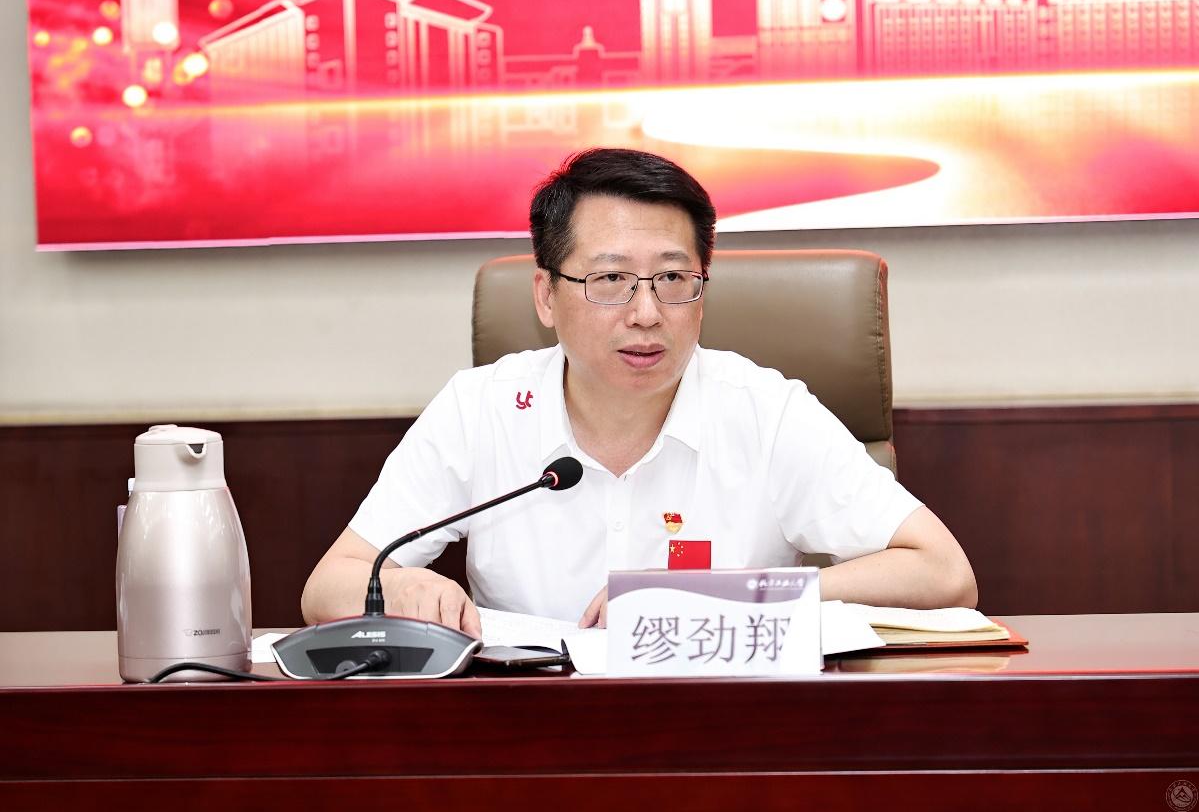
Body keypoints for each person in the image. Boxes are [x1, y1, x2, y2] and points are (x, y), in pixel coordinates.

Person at [301, 148, 976, 638]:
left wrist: (736, 596)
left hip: (725, 732)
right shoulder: (482, 409)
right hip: (530, 734)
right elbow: (328, 586)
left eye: (674, 279)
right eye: (610, 280)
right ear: (546, 295)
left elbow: (943, 572)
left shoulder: (764, 411)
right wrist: (402, 585)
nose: (647, 313)